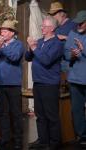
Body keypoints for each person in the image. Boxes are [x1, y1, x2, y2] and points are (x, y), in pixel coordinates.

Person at [26, 16, 63, 150]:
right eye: (42, 26)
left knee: (51, 115)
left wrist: (34, 48)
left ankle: (54, 142)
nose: (42, 28)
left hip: (49, 84)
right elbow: (27, 57)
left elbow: (46, 60)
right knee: (40, 115)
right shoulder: (40, 41)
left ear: (52, 28)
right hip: (38, 83)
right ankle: (43, 140)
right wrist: (31, 48)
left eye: (44, 26)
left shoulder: (57, 44)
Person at [0, 20, 24, 150]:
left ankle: (18, 139)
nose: (2, 33)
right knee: (3, 112)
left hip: (13, 84)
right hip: (0, 83)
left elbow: (15, 57)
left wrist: (2, 48)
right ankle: (5, 138)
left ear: (12, 33)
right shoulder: (0, 45)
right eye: (1, 30)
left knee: (16, 113)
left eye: (5, 31)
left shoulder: (18, 44)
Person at [64, 10, 86, 148]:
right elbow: (66, 54)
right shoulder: (72, 34)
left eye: (82, 23)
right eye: (77, 22)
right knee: (76, 109)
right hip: (75, 78)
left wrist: (83, 50)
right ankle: (82, 136)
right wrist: (73, 54)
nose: (79, 25)